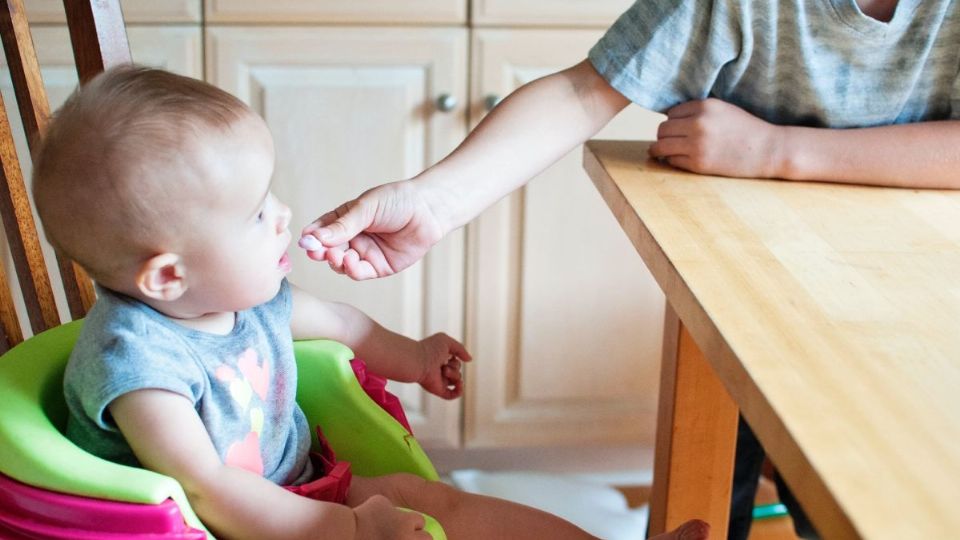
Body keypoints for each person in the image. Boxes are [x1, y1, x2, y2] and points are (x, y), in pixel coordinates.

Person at [298, 1, 960, 538]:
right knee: (714, 487)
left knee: (864, 497)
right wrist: (435, 202)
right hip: (740, 296)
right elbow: (585, 92)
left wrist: (776, 149)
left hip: (908, 316)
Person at [33, 65, 709, 540]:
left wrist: (414, 357)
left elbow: (347, 325)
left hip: (299, 492)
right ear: (166, 277)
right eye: (254, 214)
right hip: (210, 527)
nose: (282, 216)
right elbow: (206, 488)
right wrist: (352, 529)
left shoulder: (248, 300)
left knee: (434, 501)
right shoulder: (139, 365)